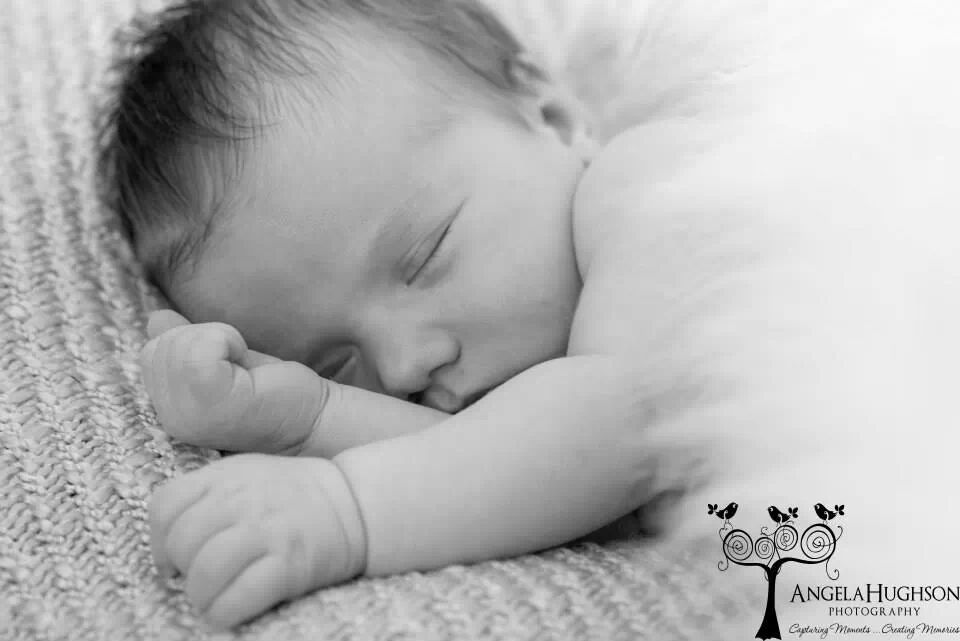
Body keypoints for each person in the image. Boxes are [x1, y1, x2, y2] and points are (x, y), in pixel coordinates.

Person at [99, 0, 960, 633]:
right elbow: (533, 478)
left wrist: (347, 509)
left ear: (550, 116)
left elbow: (612, 423)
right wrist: (298, 415)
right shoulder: (548, 427)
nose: (402, 363)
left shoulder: (645, 184)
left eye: (423, 254)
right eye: (337, 358)